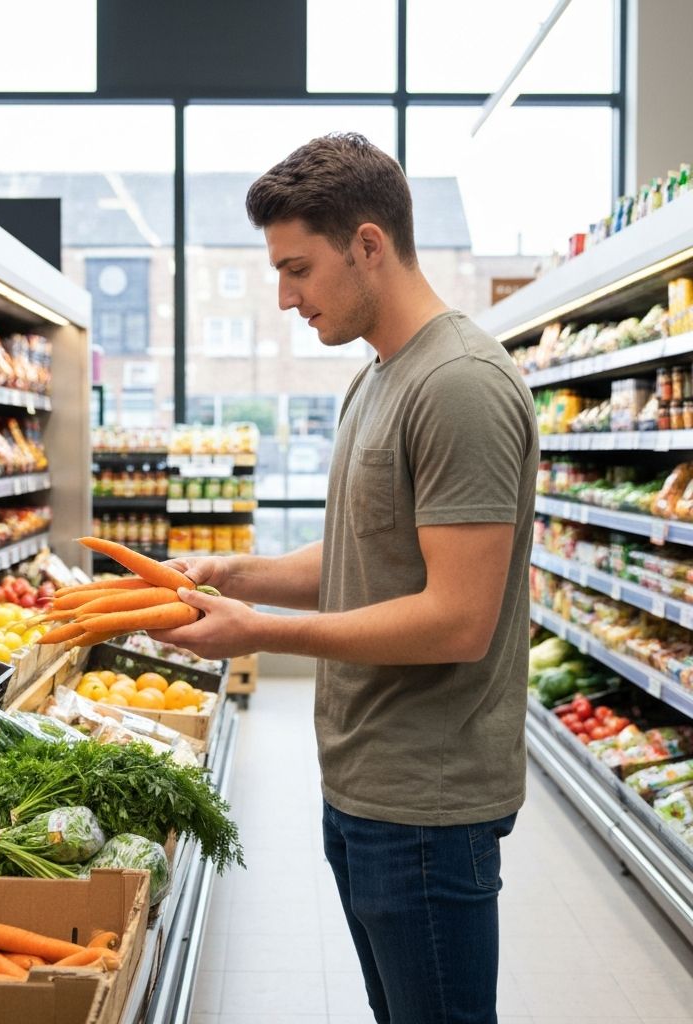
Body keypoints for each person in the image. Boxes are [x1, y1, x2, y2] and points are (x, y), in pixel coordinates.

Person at [149, 133, 538, 1024]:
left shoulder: (459, 385)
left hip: (428, 807)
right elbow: (360, 556)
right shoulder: (380, 377)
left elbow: (457, 619)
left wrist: (255, 630)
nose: (285, 299)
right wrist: (228, 571)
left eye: (298, 270)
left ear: (369, 244)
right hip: (364, 786)